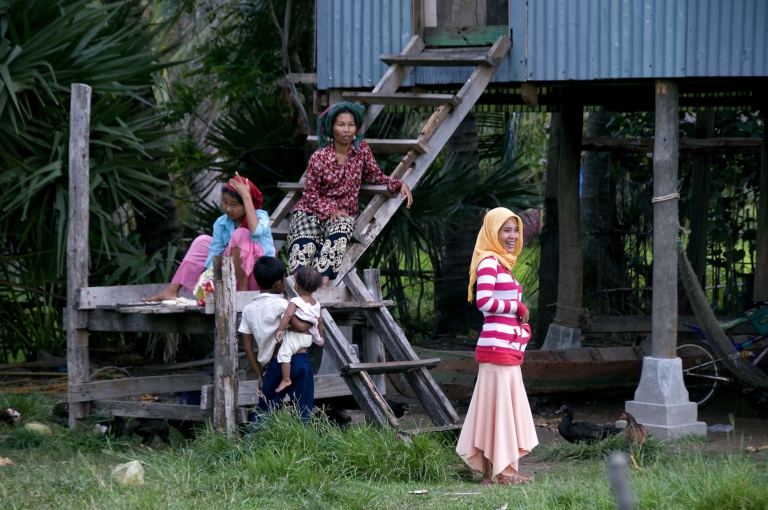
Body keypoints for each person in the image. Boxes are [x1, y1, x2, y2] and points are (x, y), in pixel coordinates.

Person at [287, 101, 414, 287]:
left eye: (351, 125)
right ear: (331, 128)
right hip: (311, 212)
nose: (347, 130)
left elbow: (375, 175)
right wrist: (330, 209)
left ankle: (322, 283)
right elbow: (310, 195)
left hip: (341, 216)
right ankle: (298, 287)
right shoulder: (319, 157)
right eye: (341, 125)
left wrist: (399, 184)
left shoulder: (361, 150)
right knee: (303, 253)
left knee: (344, 224)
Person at [456, 207, 538, 485]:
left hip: (504, 348)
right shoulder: (489, 262)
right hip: (497, 349)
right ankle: (501, 474)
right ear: (492, 232)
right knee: (499, 411)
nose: (513, 236)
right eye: (506, 230)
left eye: (516, 230)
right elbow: (484, 302)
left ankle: (499, 473)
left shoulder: (501, 263)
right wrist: (517, 306)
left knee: (498, 410)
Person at [144, 173, 274, 301]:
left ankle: (243, 294)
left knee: (240, 235)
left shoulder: (261, 216)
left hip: (259, 275)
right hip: (231, 275)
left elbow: (255, 233)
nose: (228, 208)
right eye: (225, 202)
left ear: (246, 204)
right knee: (201, 241)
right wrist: (207, 278)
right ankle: (171, 291)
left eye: (234, 205)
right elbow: (215, 252)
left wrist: (246, 196)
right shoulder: (221, 222)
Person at [239, 256, 315, 422]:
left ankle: (252, 437)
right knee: (303, 410)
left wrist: (259, 373)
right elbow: (301, 326)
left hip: (273, 365)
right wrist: (315, 319)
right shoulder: (284, 305)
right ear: (279, 283)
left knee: (264, 411)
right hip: (297, 360)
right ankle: (302, 437)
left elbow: (247, 346)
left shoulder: (248, 310)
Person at [274, 266, 324, 393]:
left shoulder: (295, 301)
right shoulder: (316, 304)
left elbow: (288, 315)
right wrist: (320, 336)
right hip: (307, 339)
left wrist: (280, 329)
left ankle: (286, 379)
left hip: (294, 337)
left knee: (284, 355)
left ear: (296, 285)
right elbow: (320, 321)